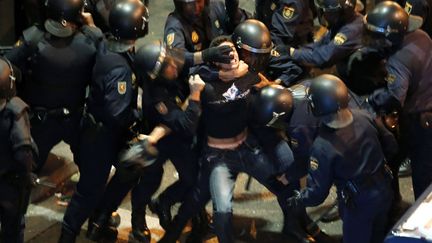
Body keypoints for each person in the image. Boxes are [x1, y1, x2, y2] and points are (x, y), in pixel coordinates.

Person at [59, 0, 149, 242]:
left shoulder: (108, 43)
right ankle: (68, 235)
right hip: (101, 136)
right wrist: (140, 115)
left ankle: (99, 218)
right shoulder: (119, 70)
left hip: (103, 131)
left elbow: (98, 35)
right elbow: (117, 114)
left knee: (132, 169)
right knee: (88, 191)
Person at [288, 74, 397, 243]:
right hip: (384, 188)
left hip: (358, 203)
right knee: (378, 233)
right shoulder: (364, 116)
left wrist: (299, 199)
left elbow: (318, 193)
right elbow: (390, 145)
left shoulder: (323, 146)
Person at [5, 0, 102, 173]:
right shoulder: (91, 41)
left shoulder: (33, 38)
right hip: (76, 118)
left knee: (26, 171)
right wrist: (92, 26)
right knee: (90, 167)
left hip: (40, 122)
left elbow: (7, 65)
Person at [362, 1, 432, 199]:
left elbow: (394, 97)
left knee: (422, 176)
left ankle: (413, 223)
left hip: (421, 121)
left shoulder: (398, 61)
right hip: (427, 102)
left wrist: (372, 99)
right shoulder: (421, 36)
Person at [0, 57, 37, 243]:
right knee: (13, 230)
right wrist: (26, 175)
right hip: (9, 185)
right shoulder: (15, 111)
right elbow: (24, 152)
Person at [288, 0, 363, 78]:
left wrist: (293, 54)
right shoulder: (344, 21)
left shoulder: (351, 30)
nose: (324, 15)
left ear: (338, 12)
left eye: (326, 11)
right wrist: (294, 50)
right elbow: (321, 44)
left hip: (353, 85)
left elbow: (324, 58)